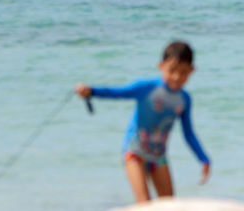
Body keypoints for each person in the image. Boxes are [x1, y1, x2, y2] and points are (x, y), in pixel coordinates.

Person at [74, 41, 211, 203]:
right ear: (160, 66)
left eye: (183, 72)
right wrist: (91, 91)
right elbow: (118, 93)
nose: (177, 77)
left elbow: (188, 133)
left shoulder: (184, 99)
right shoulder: (146, 88)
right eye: (172, 70)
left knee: (169, 205)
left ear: (192, 70)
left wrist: (203, 158)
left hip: (159, 157)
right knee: (144, 203)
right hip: (135, 153)